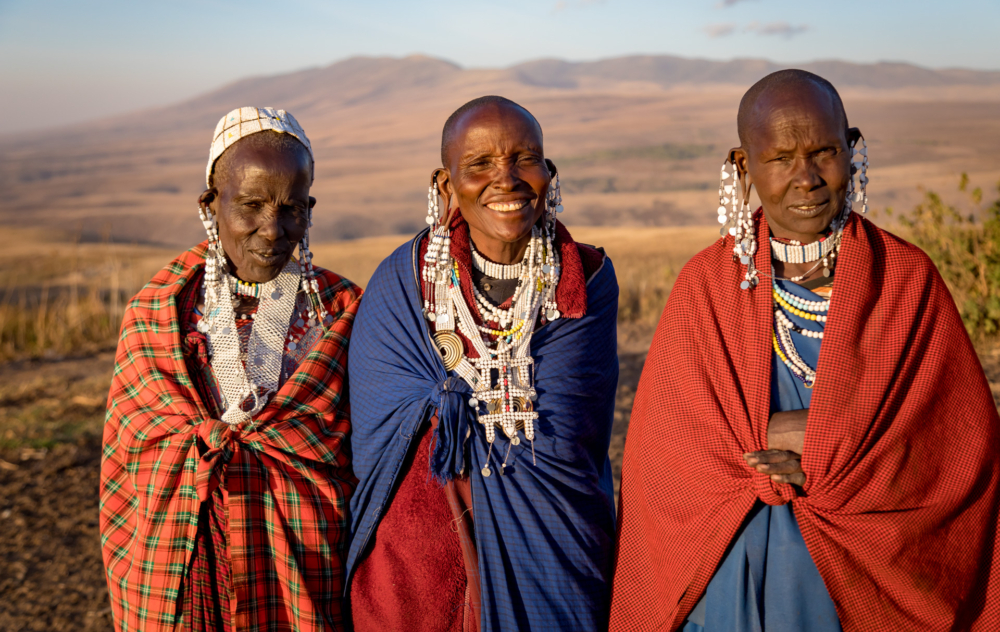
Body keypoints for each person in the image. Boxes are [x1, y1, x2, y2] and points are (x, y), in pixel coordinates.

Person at [609, 70, 1000, 631]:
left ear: (852, 147)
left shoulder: (905, 280)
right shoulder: (706, 285)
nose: (806, 178)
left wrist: (818, 444)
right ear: (743, 166)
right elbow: (665, 452)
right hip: (729, 567)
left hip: (866, 573)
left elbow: (956, 444)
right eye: (780, 158)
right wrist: (772, 438)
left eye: (824, 152)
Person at [345, 96, 619, 631]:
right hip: (416, 574)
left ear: (549, 172)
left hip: (553, 552)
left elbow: (569, 441)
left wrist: (455, 404)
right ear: (445, 185)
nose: (507, 179)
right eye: (479, 165)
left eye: (525, 158)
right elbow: (376, 443)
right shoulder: (402, 285)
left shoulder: (583, 280)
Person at [100, 107, 362, 632]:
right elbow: (131, 457)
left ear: (310, 208)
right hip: (184, 561)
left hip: (304, 569)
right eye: (251, 204)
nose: (272, 228)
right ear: (210, 203)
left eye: (292, 208)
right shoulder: (158, 311)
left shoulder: (344, 312)